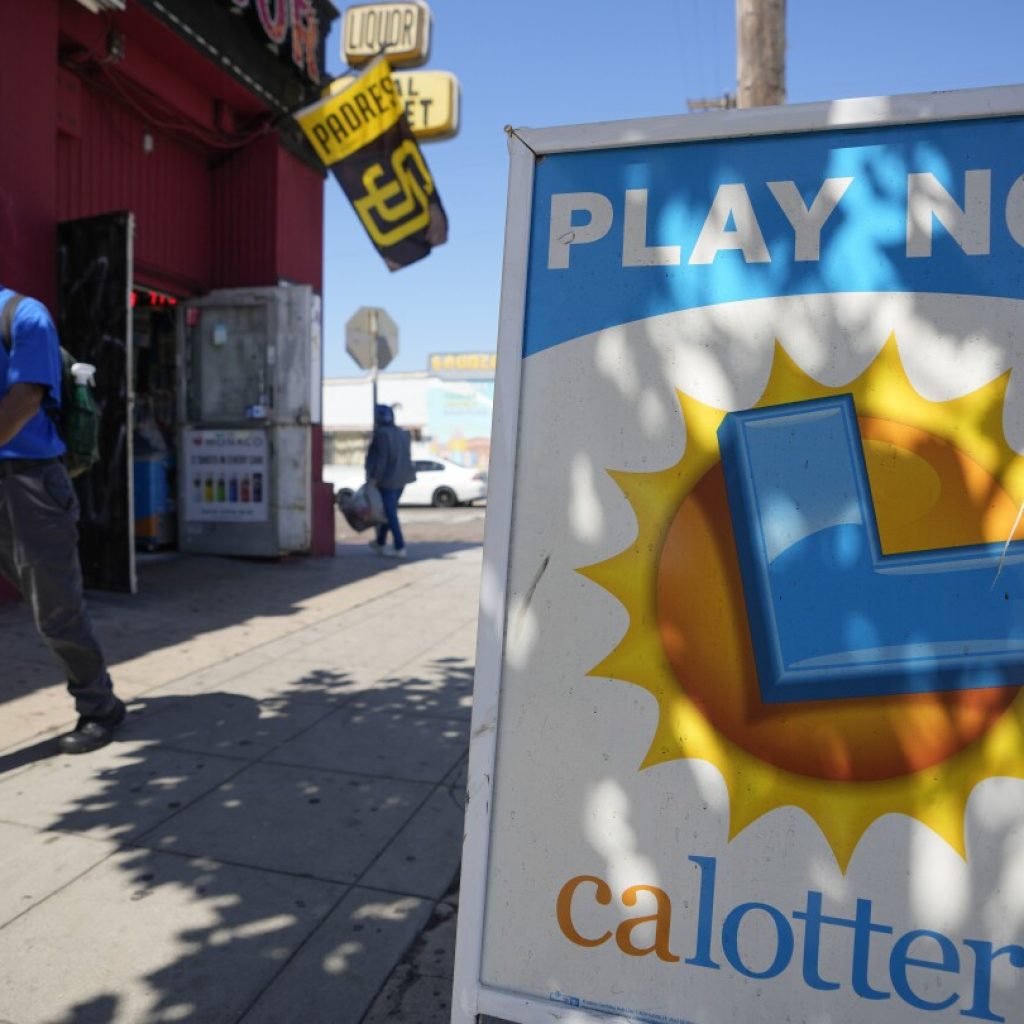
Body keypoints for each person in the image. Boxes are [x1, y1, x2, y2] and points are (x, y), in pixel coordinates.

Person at [0, 286, 125, 754]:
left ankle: (100, 707)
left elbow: (25, 399)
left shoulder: (22, 315)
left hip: (27, 484)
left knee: (56, 611)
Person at [365, 403, 416, 558]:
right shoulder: (403, 433)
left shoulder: (381, 434)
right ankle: (380, 542)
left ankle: (399, 546)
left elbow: (381, 459)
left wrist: (374, 478)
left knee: (390, 514)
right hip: (402, 479)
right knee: (388, 512)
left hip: (387, 481)